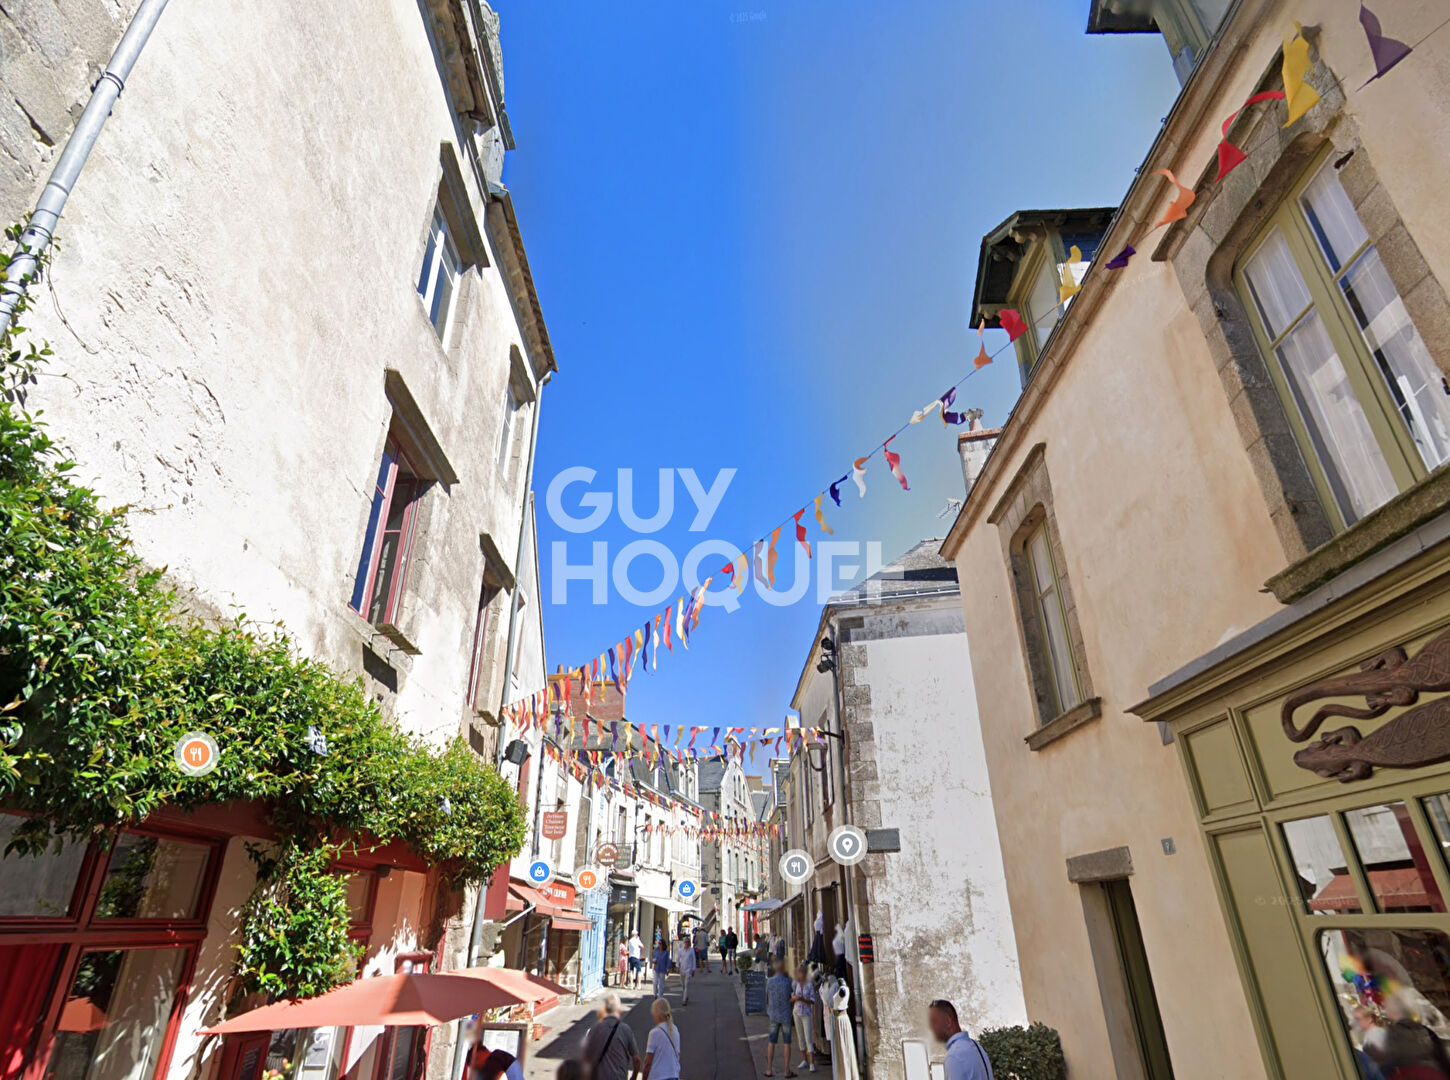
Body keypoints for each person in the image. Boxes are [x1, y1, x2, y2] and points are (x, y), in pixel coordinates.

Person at [581, 993, 642, 1080]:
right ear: (618, 1009)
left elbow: (586, 1058)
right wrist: (634, 1076)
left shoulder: (594, 1029)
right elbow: (637, 1060)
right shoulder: (625, 1030)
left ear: (605, 1009)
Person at [929, 999, 994, 1080]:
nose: (932, 1028)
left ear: (948, 1021)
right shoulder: (976, 1046)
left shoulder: (954, 1055)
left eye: (934, 1022)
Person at [765, 958, 798, 1078]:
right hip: (785, 1015)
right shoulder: (788, 981)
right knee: (787, 1043)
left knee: (771, 1042)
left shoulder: (769, 981)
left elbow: (766, 997)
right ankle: (786, 1071)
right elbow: (792, 996)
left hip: (773, 1015)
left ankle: (769, 1069)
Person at [637, 997, 682, 1080]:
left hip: (658, 1077)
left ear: (657, 1014)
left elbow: (647, 1062)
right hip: (674, 1075)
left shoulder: (655, 1033)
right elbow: (677, 1055)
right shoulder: (675, 1030)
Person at [791, 964, 818, 1073]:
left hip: (806, 1013)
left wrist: (802, 999)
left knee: (808, 1038)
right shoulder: (795, 983)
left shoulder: (809, 985)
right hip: (796, 1012)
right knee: (800, 1037)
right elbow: (791, 998)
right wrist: (794, 998)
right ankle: (804, 1060)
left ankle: (812, 1063)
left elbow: (813, 1001)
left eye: (800, 973)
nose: (798, 975)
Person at [677, 929, 698, 1004]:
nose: (686, 944)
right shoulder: (681, 950)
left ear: (689, 943)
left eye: (687, 942)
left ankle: (684, 1000)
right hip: (682, 969)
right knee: (682, 984)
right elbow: (678, 958)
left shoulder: (691, 950)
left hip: (688, 970)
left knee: (686, 984)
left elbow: (694, 960)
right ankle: (685, 995)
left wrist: (693, 969)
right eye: (685, 942)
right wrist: (677, 966)